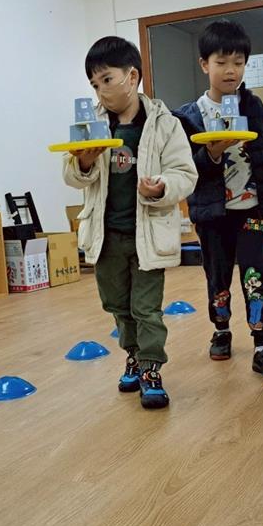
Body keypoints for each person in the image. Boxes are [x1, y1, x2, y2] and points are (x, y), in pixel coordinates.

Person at [63, 36, 197, 409]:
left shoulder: (164, 124)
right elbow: (72, 175)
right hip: (106, 235)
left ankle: (151, 368)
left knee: (147, 308)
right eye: (94, 85)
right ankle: (134, 356)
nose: (101, 91)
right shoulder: (91, 125)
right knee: (118, 306)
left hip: (148, 234)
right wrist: (84, 162)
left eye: (107, 79)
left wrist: (162, 187)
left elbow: (185, 173)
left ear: (132, 76)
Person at [173, 20, 263, 379]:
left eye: (238, 62)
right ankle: (221, 329)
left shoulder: (254, 106)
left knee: (256, 276)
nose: (230, 70)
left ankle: (262, 344)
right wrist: (213, 153)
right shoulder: (188, 115)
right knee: (217, 276)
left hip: (251, 208)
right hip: (212, 213)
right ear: (204, 64)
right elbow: (185, 168)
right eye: (221, 62)